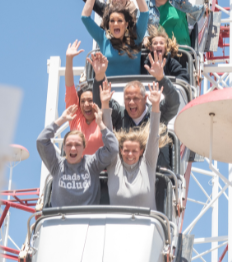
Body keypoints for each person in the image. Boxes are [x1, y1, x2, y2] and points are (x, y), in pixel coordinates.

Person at [36, 102, 118, 208]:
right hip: (60, 220)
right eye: (69, 145)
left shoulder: (92, 164)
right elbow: (41, 141)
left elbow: (113, 148)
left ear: (84, 148)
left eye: (77, 145)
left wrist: (100, 124)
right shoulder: (56, 164)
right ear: (64, 148)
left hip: (87, 219)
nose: (73, 148)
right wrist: (61, 120)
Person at [102, 82, 163, 210]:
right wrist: (105, 104)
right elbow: (107, 134)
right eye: (126, 150)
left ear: (141, 151)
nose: (130, 154)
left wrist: (156, 105)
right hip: (117, 226)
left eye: (134, 151)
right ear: (120, 151)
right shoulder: (114, 165)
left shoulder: (148, 165)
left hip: (146, 227)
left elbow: (153, 136)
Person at [81, 0, 149, 76]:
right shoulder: (103, 38)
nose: (116, 24)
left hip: (133, 90)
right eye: (112, 21)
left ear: (126, 24)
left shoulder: (136, 36)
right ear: (108, 24)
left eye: (120, 21)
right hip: (110, 90)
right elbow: (85, 18)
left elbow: (144, 13)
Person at [63, 41, 104, 155]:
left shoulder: (103, 117)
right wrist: (69, 59)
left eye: (90, 101)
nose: (86, 104)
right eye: (83, 101)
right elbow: (69, 86)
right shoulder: (76, 117)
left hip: (102, 171)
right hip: (78, 171)